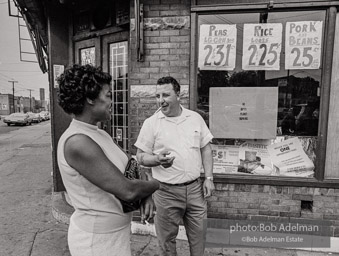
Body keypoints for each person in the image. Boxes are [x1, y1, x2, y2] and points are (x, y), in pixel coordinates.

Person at [56, 64, 160, 256]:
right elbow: (127, 190)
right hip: (96, 241)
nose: (112, 101)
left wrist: (145, 194)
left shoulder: (99, 134)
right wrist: (156, 185)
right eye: (108, 95)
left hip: (115, 235)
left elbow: (132, 166)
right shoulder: (77, 142)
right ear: (89, 98)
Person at [135, 76, 215, 256]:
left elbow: (206, 149)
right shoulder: (151, 123)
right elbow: (140, 157)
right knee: (166, 243)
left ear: (178, 95)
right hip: (165, 192)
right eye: (157, 96)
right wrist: (156, 160)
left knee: (199, 239)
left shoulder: (195, 118)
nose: (160, 100)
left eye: (165, 95)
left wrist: (209, 178)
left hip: (195, 190)